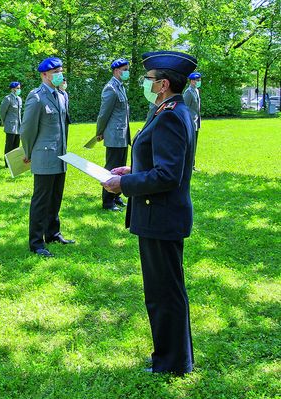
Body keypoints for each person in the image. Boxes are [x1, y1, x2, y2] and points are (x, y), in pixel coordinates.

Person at [102, 50, 197, 375]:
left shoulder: (170, 114)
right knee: (166, 290)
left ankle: (171, 364)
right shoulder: (169, 110)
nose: (145, 83)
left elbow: (168, 175)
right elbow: (161, 162)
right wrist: (134, 168)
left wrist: (123, 184)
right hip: (160, 215)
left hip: (161, 216)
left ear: (164, 84)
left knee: (163, 294)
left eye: (149, 79)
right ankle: (175, 358)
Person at [21, 57, 75, 258]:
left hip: (60, 156)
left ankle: (53, 233)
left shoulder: (62, 95)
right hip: (43, 157)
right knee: (41, 200)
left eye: (61, 71)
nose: (60, 75)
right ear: (44, 75)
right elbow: (27, 129)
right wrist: (27, 152)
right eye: (55, 72)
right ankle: (36, 242)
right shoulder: (36, 97)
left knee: (55, 197)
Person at [96, 58, 131, 211]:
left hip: (122, 135)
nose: (127, 72)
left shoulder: (120, 86)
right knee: (111, 168)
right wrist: (99, 131)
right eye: (125, 69)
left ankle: (116, 196)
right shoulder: (110, 88)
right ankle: (107, 201)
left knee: (121, 168)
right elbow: (104, 114)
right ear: (117, 71)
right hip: (114, 135)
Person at [0, 81, 22, 166]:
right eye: (17, 88)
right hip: (10, 125)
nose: (19, 90)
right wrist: (4, 122)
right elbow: (2, 112)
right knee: (9, 145)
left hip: (18, 126)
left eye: (19, 88)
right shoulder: (7, 98)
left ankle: (14, 163)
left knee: (16, 145)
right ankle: (7, 163)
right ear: (12, 89)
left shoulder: (19, 99)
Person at [183, 72, 201, 170]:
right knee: (189, 145)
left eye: (199, 80)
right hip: (190, 122)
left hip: (196, 122)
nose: (199, 82)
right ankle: (187, 165)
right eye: (197, 80)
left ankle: (192, 165)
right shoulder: (188, 92)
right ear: (192, 81)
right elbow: (184, 108)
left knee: (194, 145)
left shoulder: (196, 91)